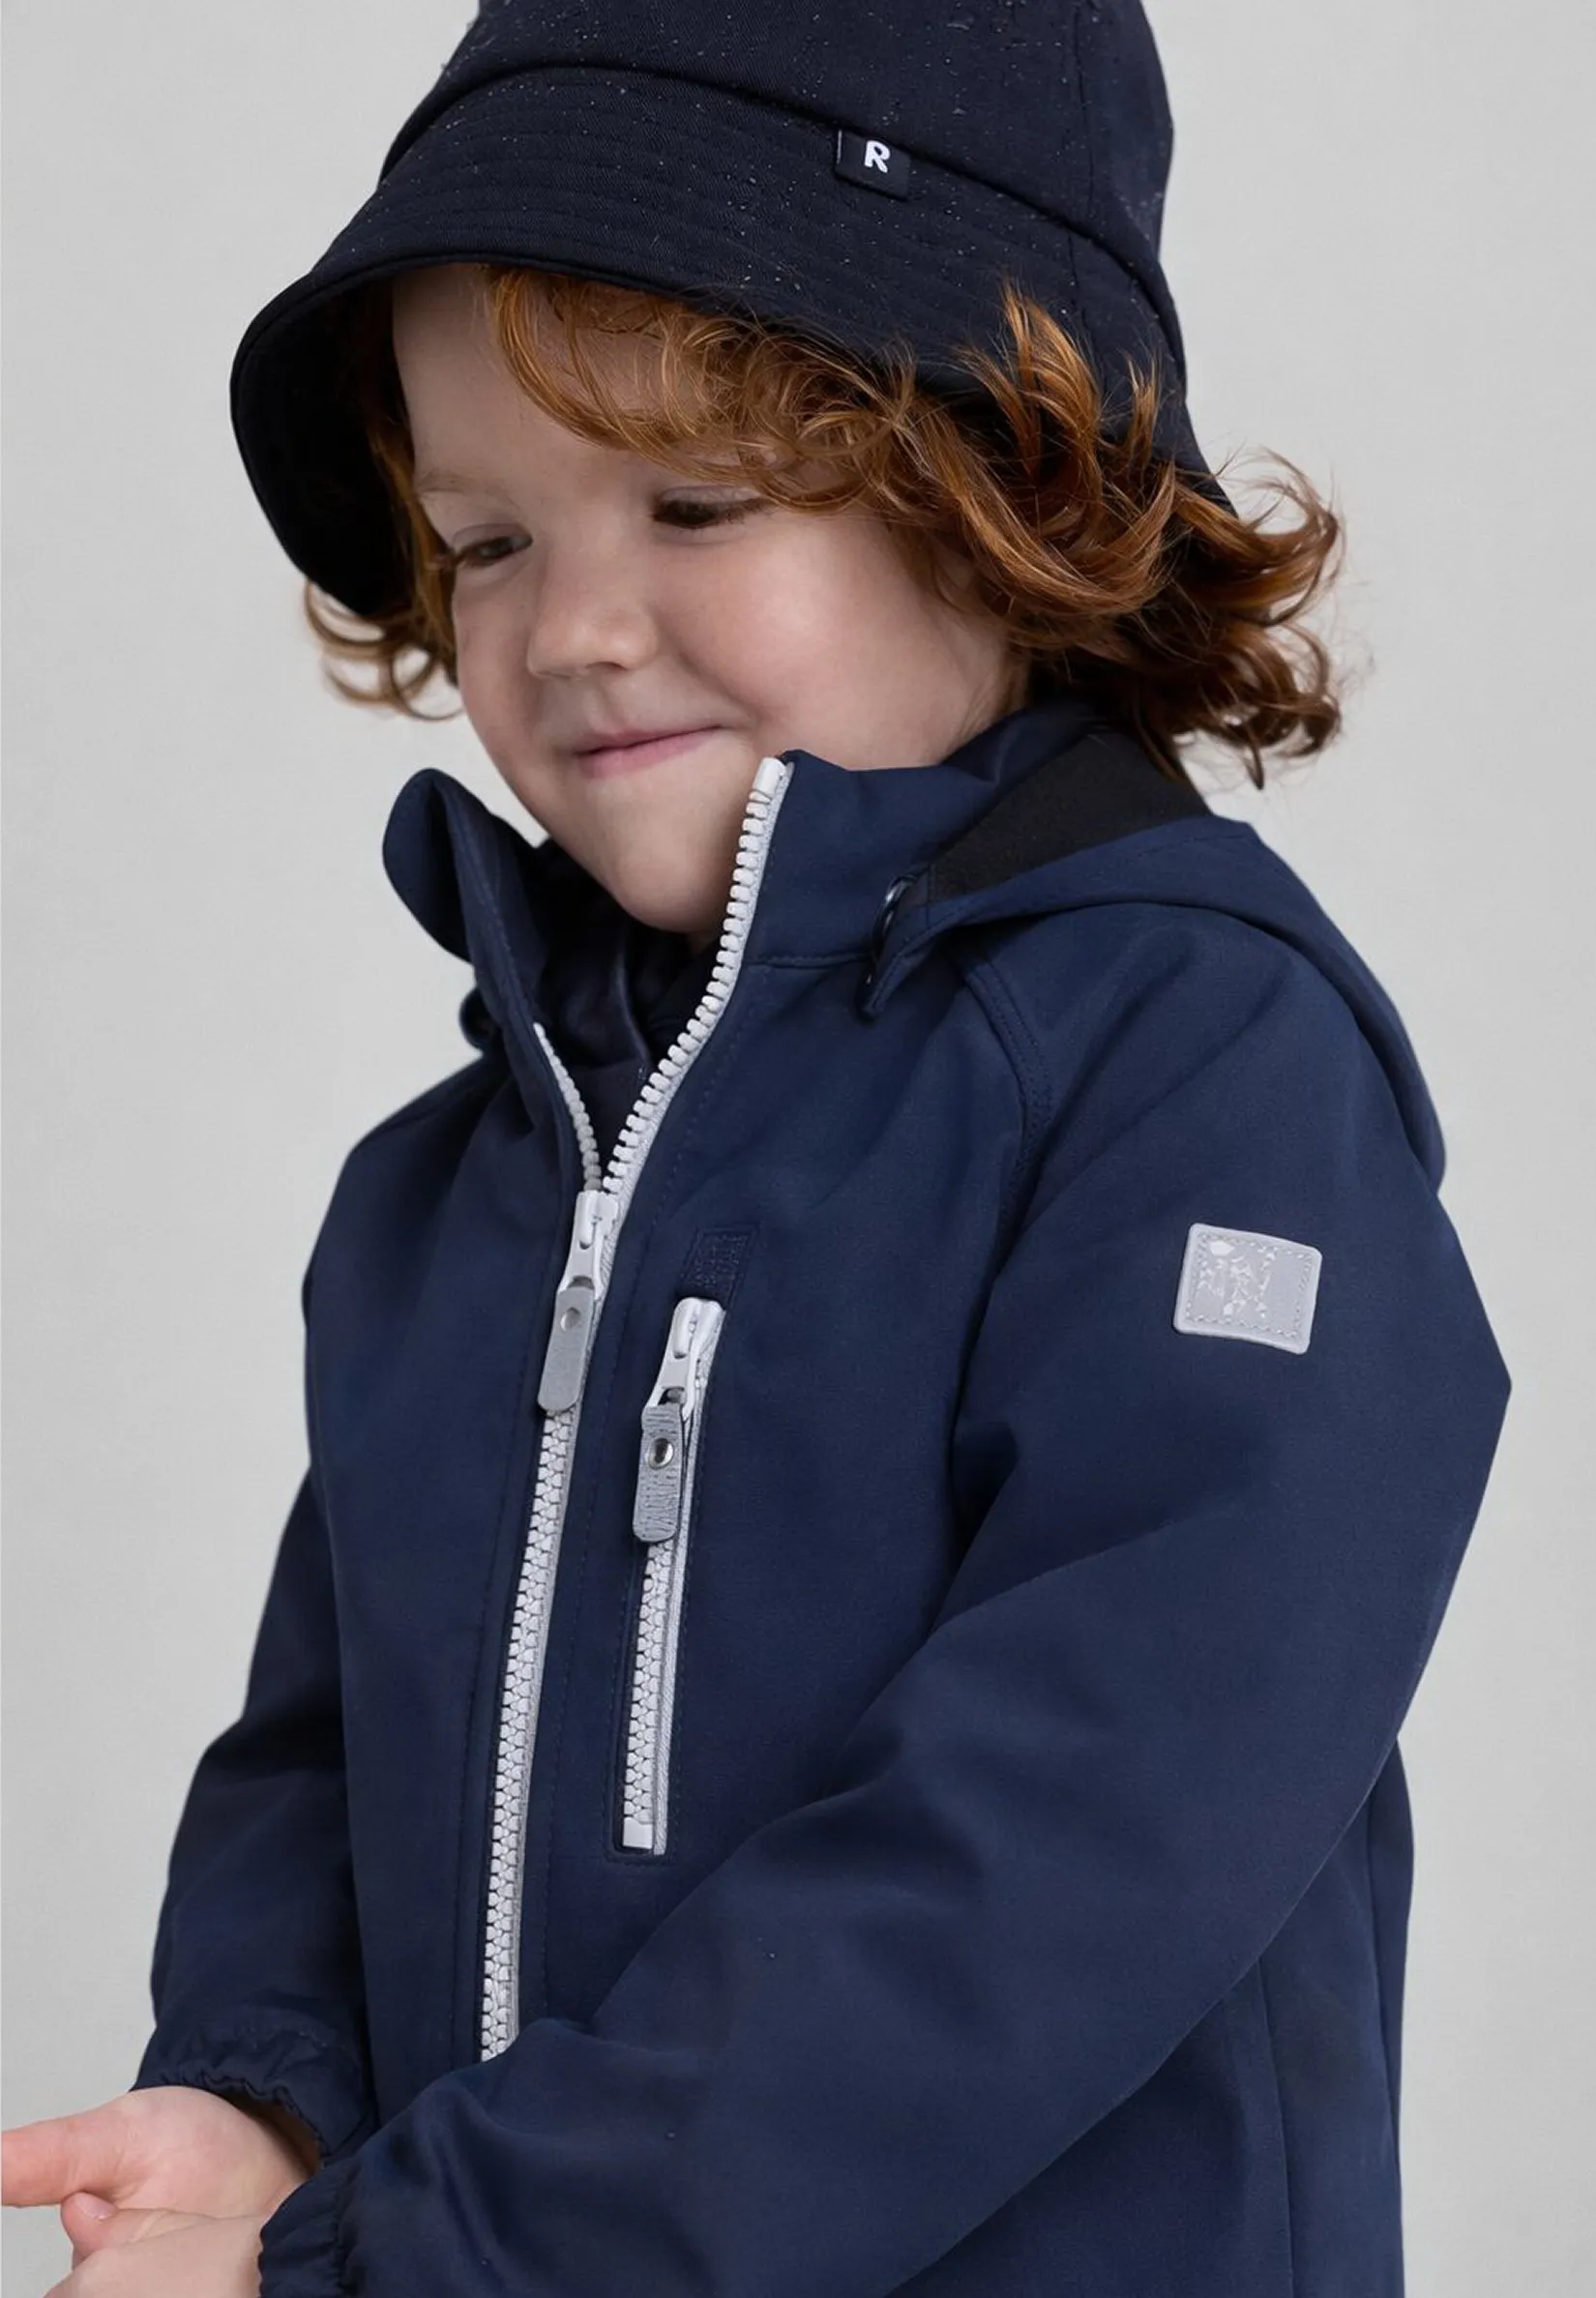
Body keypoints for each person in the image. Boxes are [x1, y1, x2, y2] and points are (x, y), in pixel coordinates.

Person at [2, 4, 1512, 2293]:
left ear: (1010, 490)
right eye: (486, 539)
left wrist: (431, 2256)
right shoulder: (457, 1184)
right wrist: (263, 2097)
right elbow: (323, 1754)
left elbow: (1054, 1863)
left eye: (694, 505)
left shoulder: (1203, 1080)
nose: (574, 629)